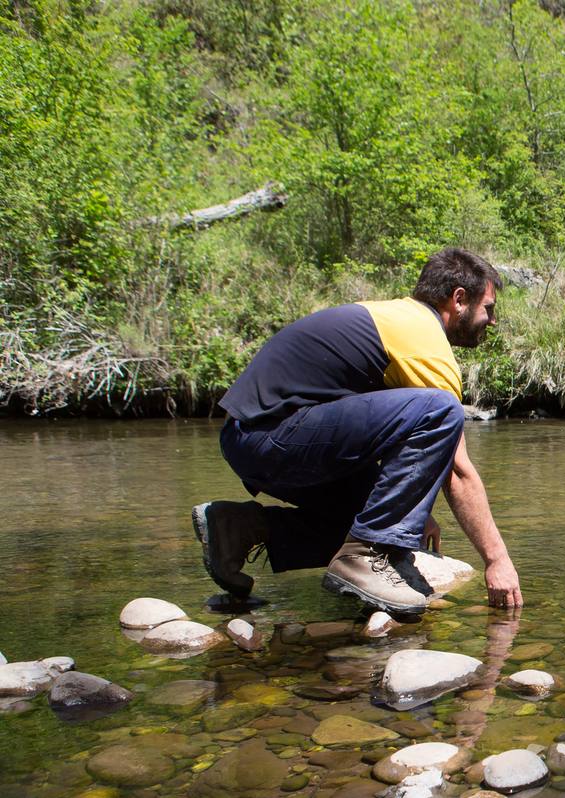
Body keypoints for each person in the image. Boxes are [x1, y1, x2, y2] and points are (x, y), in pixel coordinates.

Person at [191, 247, 524, 613]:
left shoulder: (394, 319)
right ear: (459, 299)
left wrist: (413, 509)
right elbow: (457, 471)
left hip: (248, 439)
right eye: (488, 308)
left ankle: (238, 528)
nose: (492, 321)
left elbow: (377, 430)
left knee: (364, 523)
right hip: (273, 435)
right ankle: (367, 558)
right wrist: (497, 560)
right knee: (441, 411)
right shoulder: (424, 340)